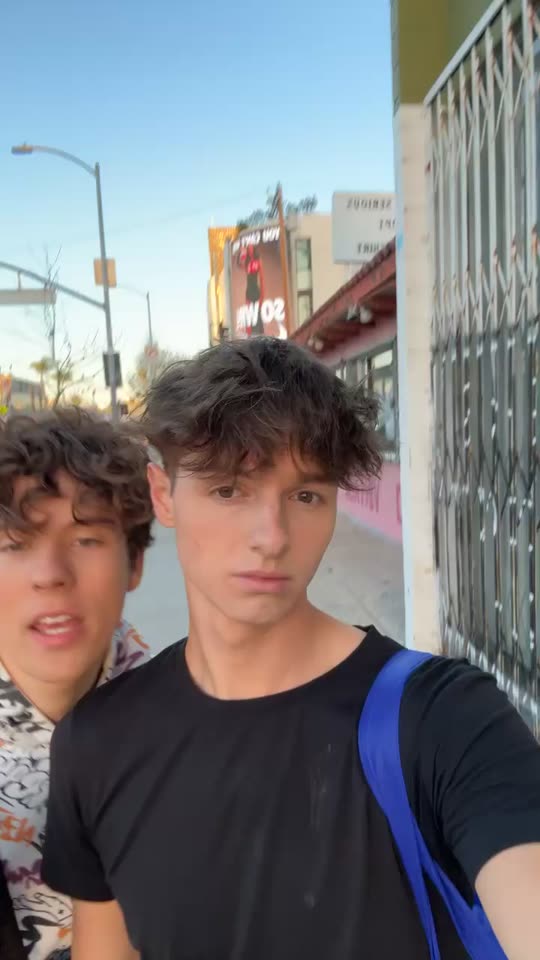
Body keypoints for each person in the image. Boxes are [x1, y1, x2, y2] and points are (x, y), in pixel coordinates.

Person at [43, 339, 540, 960]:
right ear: (164, 495)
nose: (272, 537)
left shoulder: (445, 720)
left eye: (305, 496)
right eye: (229, 490)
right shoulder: (96, 743)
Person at [0, 408, 153, 960]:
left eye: (86, 539)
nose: (51, 575)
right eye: (15, 544)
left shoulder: (186, 725)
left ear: (134, 564)